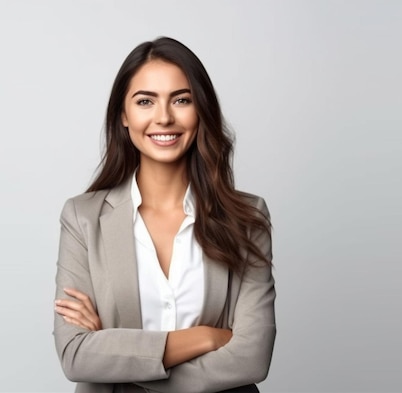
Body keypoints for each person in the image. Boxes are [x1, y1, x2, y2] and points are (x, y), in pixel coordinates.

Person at [53, 37, 276, 393]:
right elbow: (76, 355)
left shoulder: (246, 218)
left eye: (182, 100)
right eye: (145, 101)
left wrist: (118, 358)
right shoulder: (82, 218)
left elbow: (252, 357)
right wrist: (204, 337)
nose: (164, 117)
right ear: (123, 116)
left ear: (201, 110)